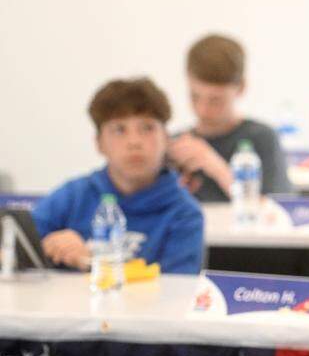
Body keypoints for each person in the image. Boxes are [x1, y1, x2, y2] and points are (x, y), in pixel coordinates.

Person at [32, 77, 203, 275]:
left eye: (147, 128)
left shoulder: (185, 214)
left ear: (166, 138)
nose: (134, 142)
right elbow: (10, 247)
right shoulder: (74, 195)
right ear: (99, 143)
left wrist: (90, 261)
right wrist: (45, 246)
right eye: (119, 130)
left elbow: (177, 294)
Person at [168, 34, 293, 202]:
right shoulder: (176, 145)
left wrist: (215, 166)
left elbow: (278, 213)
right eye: (195, 96)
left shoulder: (262, 138)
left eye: (216, 100)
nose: (203, 110)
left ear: (241, 88)